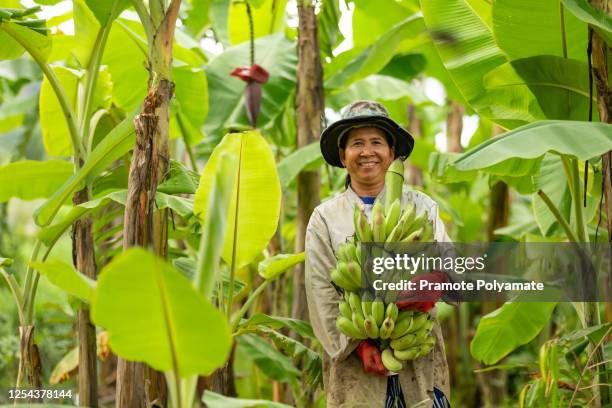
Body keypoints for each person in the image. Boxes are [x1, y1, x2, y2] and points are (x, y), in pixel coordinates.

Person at [304, 101, 451, 407]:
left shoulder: (422, 209)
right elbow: (320, 294)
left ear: (392, 153)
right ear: (344, 157)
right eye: (357, 143)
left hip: (417, 356)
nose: (367, 151)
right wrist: (356, 344)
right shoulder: (325, 218)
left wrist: (435, 281)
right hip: (356, 368)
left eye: (376, 142)